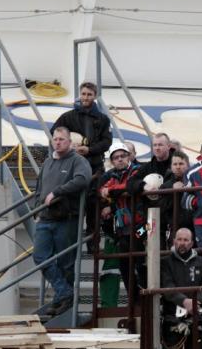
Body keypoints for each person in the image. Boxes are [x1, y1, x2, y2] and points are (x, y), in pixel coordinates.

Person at [33, 126, 92, 314]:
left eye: (62, 139)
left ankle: (63, 301)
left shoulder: (78, 161)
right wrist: (36, 210)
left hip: (67, 218)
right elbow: (38, 189)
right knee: (40, 257)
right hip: (45, 218)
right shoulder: (47, 163)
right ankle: (64, 292)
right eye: (55, 139)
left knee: (66, 262)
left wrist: (57, 192)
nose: (58, 142)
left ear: (69, 142)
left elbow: (83, 179)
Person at [97, 142, 137, 308]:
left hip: (144, 227)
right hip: (122, 230)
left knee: (141, 265)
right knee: (125, 267)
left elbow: (133, 186)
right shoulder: (111, 176)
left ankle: (143, 302)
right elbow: (100, 190)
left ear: (129, 157)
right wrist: (112, 191)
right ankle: (135, 303)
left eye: (123, 156)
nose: (120, 160)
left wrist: (112, 191)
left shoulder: (137, 171)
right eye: (116, 157)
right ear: (112, 161)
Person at [52, 82, 112, 175]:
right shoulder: (68, 117)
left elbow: (107, 142)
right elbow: (54, 133)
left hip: (95, 165)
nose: (86, 97)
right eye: (83, 94)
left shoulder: (103, 119)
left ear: (95, 96)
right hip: (71, 164)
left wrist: (89, 150)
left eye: (89, 94)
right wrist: (69, 145)